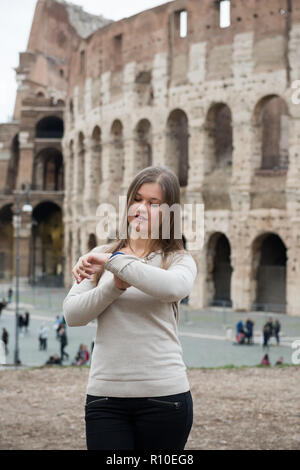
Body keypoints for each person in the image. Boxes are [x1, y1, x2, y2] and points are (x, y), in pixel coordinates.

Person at [63, 165, 196, 451]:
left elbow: (171, 288)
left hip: (165, 396)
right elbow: (73, 315)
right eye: (136, 199)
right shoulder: (99, 257)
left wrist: (113, 260)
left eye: (153, 203)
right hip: (105, 398)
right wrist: (113, 286)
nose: (141, 209)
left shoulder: (178, 260)